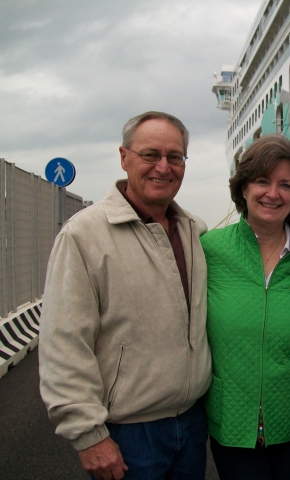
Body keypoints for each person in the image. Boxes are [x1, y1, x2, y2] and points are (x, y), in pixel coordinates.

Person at [39, 112, 212, 480]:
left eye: (175, 157)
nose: (163, 167)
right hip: (130, 433)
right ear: (124, 157)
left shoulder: (194, 231)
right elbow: (63, 342)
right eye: (151, 154)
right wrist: (88, 435)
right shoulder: (84, 235)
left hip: (192, 424)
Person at [200, 134, 290, 480]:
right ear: (243, 188)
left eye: (286, 185)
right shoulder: (210, 250)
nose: (273, 193)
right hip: (232, 421)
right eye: (263, 181)